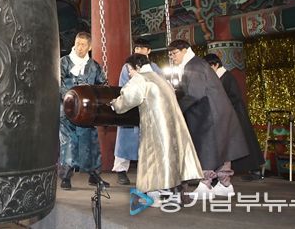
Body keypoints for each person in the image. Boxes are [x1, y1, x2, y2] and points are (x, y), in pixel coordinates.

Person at [111, 54, 202, 207]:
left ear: (137, 67)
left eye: (130, 70)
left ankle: (155, 195)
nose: (129, 74)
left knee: (154, 158)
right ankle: (174, 194)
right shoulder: (160, 78)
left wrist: (115, 104)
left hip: (156, 126)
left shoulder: (141, 79)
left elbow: (127, 98)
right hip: (173, 126)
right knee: (172, 158)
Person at [167, 40, 248, 197]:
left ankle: (205, 185)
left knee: (207, 148)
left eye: (174, 53)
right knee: (223, 148)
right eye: (170, 55)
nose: (172, 57)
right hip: (218, 111)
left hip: (209, 113)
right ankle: (225, 184)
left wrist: (177, 109)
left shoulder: (193, 66)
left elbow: (195, 94)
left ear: (185, 50)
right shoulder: (196, 64)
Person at [59, 32, 108, 190]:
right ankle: (66, 176)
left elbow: (102, 84)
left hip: (87, 112)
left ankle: (94, 175)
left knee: (91, 142)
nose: (79, 47)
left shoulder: (94, 66)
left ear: (90, 47)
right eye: (77, 44)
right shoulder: (64, 62)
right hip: (68, 111)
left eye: (83, 45)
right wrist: (70, 98)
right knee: (69, 142)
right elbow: (58, 82)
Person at [204, 54, 265, 181]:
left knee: (245, 142)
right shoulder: (219, 78)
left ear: (215, 65)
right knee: (235, 144)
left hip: (236, 115)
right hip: (227, 115)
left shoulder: (227, 77)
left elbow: (235, 96)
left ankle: (255, 170)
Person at [112, 38, 162, 186]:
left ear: (148, 51)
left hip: (148, 109)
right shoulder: (127, 67)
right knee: (124, 140)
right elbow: (123, 87)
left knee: (148, 142)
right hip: (130, 108)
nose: (138, 51)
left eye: (142, 48)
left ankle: (148, 172)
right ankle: (121, 170)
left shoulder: (154, 67)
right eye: (136, 48)